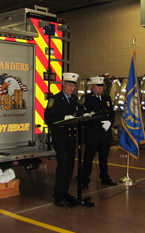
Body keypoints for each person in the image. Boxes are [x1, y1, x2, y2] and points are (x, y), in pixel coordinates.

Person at [45, 72, 80, 207]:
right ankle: (58, 194)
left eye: (73, 86)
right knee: (63, 166)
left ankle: (65, 192)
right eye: (69, 85)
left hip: (71, 138)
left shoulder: (74, 99)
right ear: (63, 84)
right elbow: (48, 119)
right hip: (60, 138)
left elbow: (79, 113)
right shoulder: (55, 100)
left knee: (70, 166)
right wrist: (62, 119)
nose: (71, 88)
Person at [79, 76, 117, 189]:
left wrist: (109, 123)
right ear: (92, 86)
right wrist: (101, 124)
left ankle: (105, 177)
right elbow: (86, 115)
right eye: (98, 86)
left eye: (102, 86)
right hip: (93, 132)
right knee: (89, 158)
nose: (101, 88)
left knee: (104, 157)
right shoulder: (87, 98)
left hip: (105, 133)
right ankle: (84, 179)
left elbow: (112, 113)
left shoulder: (107, 98)